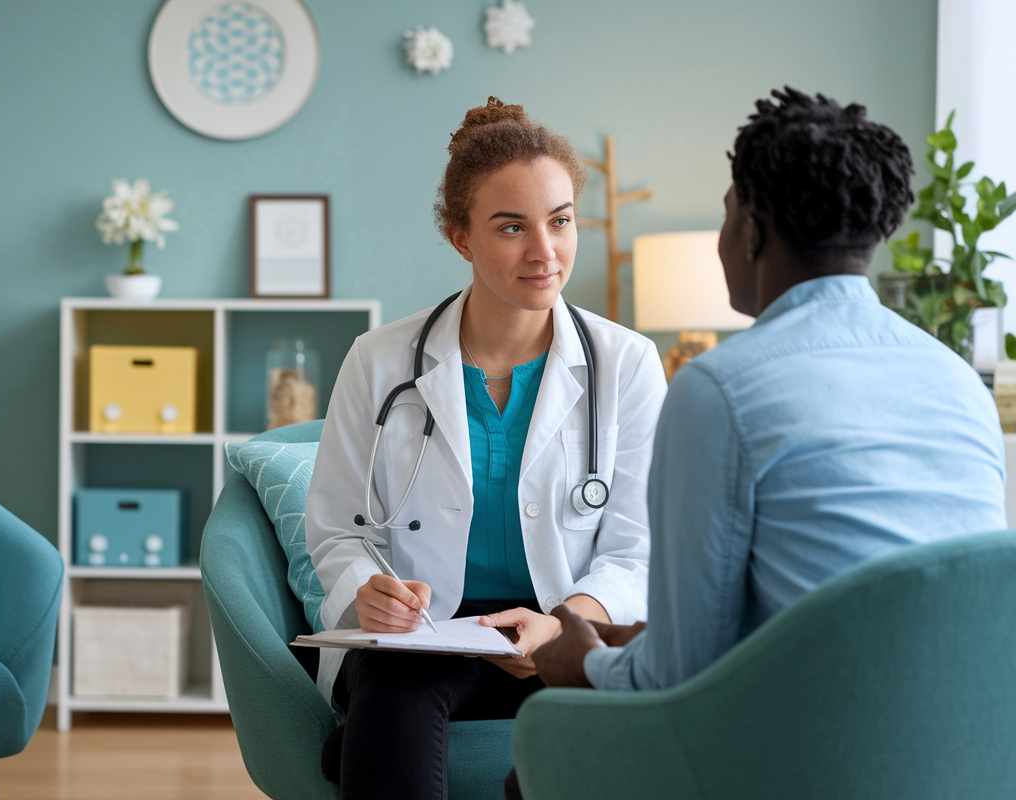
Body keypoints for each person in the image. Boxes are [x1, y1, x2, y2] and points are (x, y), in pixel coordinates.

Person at [531, 87, 1009, 697]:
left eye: (728, 213)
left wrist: (583, 663)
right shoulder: (958, 380)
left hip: (804, 753)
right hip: (964, 750)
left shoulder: (718, 389)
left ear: (752, 232)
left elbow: (677, 676)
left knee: (547, 743)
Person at [304, 97, 668, 799]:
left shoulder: (628, 364)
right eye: (511, 227)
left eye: (560, 222)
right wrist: (367, 593)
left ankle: (367, 749)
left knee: (598, 705)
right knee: (398, 679)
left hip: (566, 624)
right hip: (428, 633)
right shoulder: (378, 361)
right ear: (460, 237)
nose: (545, 252)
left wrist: (565, 623)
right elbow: (337, 530)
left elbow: (638, 548)